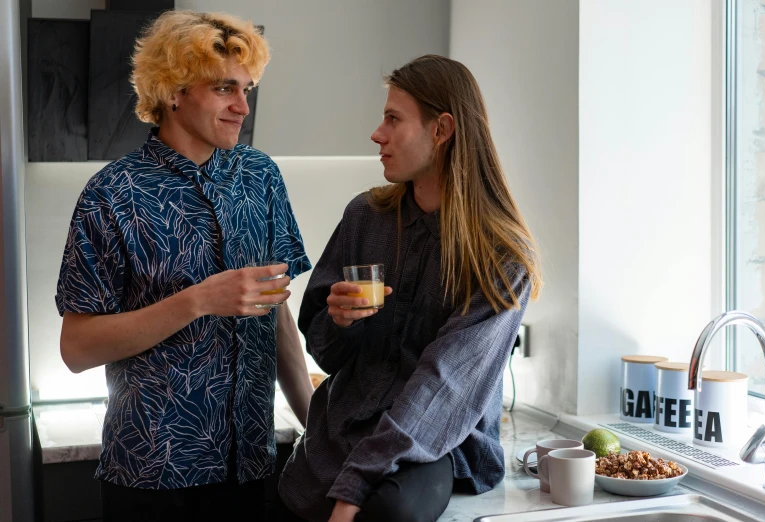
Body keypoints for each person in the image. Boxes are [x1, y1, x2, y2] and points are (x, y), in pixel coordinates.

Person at [55, 11, 312, 522]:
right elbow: (76, 348)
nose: (242, 106)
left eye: (247, 88)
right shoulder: (112, 194)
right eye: (224, 89)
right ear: (173, 91)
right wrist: (197, 301)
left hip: (250, 467)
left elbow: (276, 315)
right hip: (152, 475)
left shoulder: (260, 176)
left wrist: (315, 430)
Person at [277, 55, 543, 522]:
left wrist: (355, 485)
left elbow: (444, 385)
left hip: (439, 445)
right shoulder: (364, 217)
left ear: (441, 130)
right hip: (339, 432)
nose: (377, 134)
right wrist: (340, 324)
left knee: (391, 508)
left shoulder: (502, 257)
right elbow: (323, 349)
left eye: (393, 119)